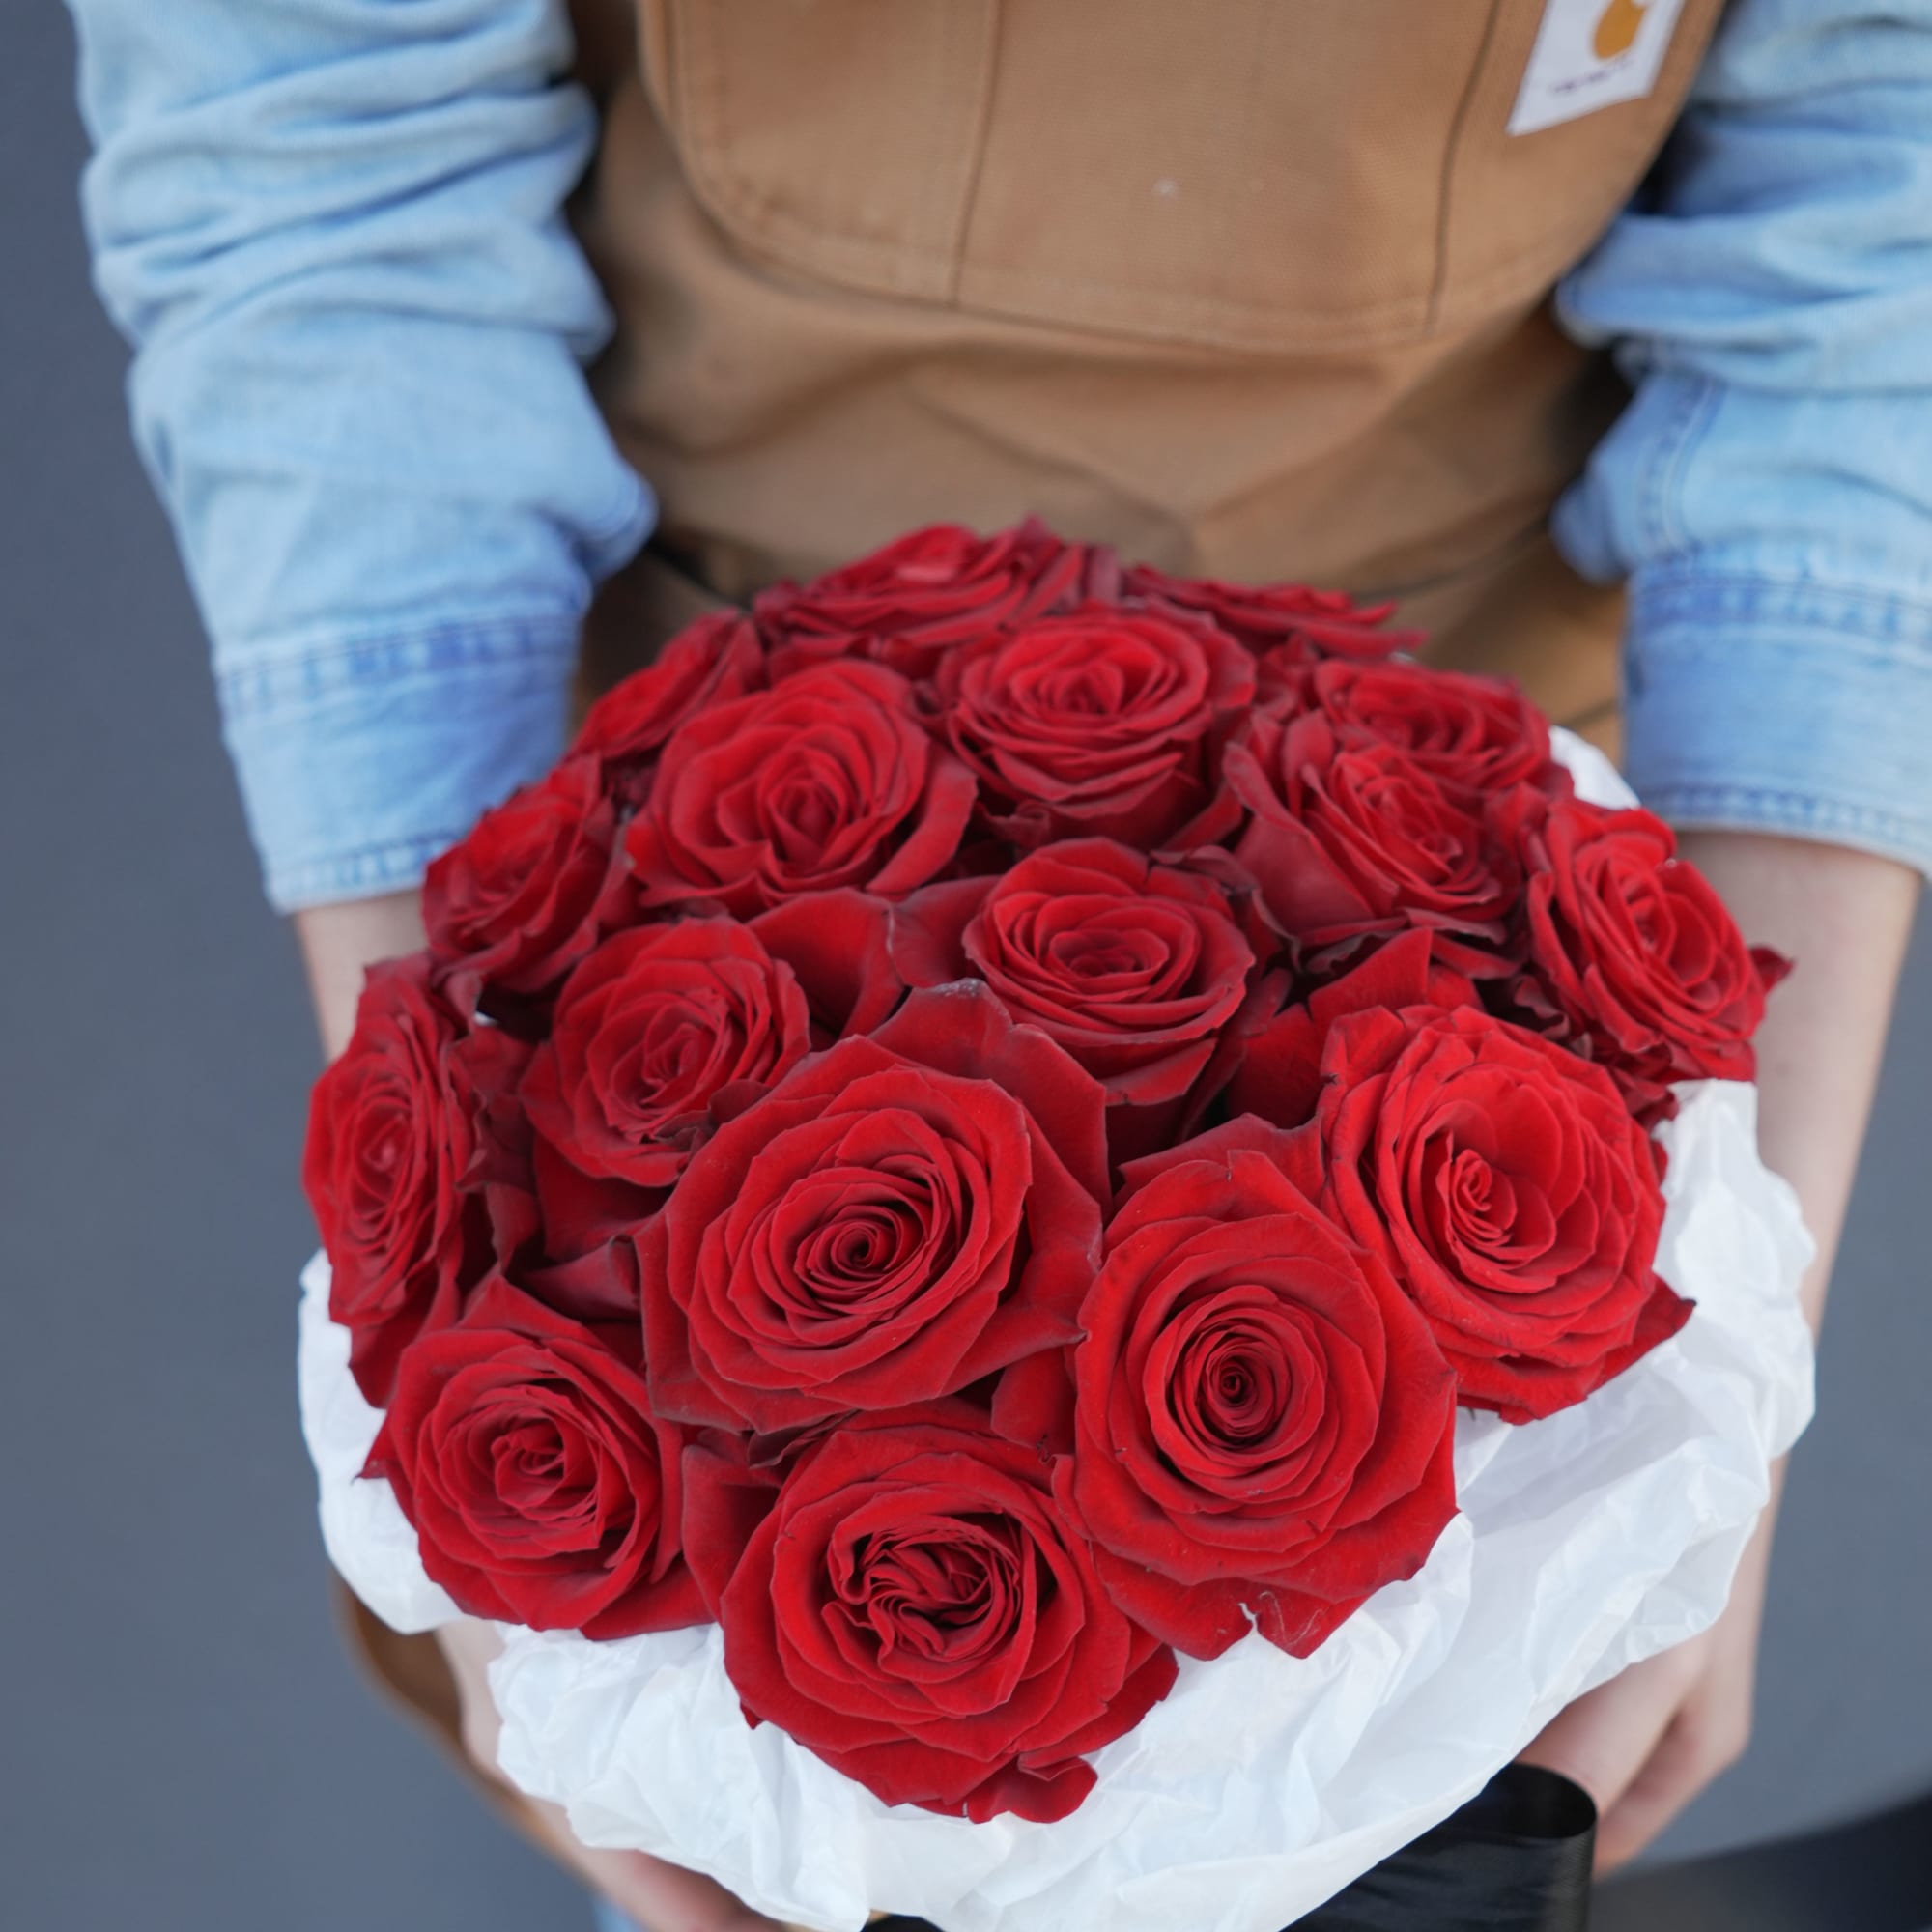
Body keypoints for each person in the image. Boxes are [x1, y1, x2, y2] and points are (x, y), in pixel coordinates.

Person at [65, 0, 1928, 1925]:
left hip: (1473, 889)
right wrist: (453, 1256)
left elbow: (1873, 200)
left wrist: (1724, 1407)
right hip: (684, 854)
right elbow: (327, 179)